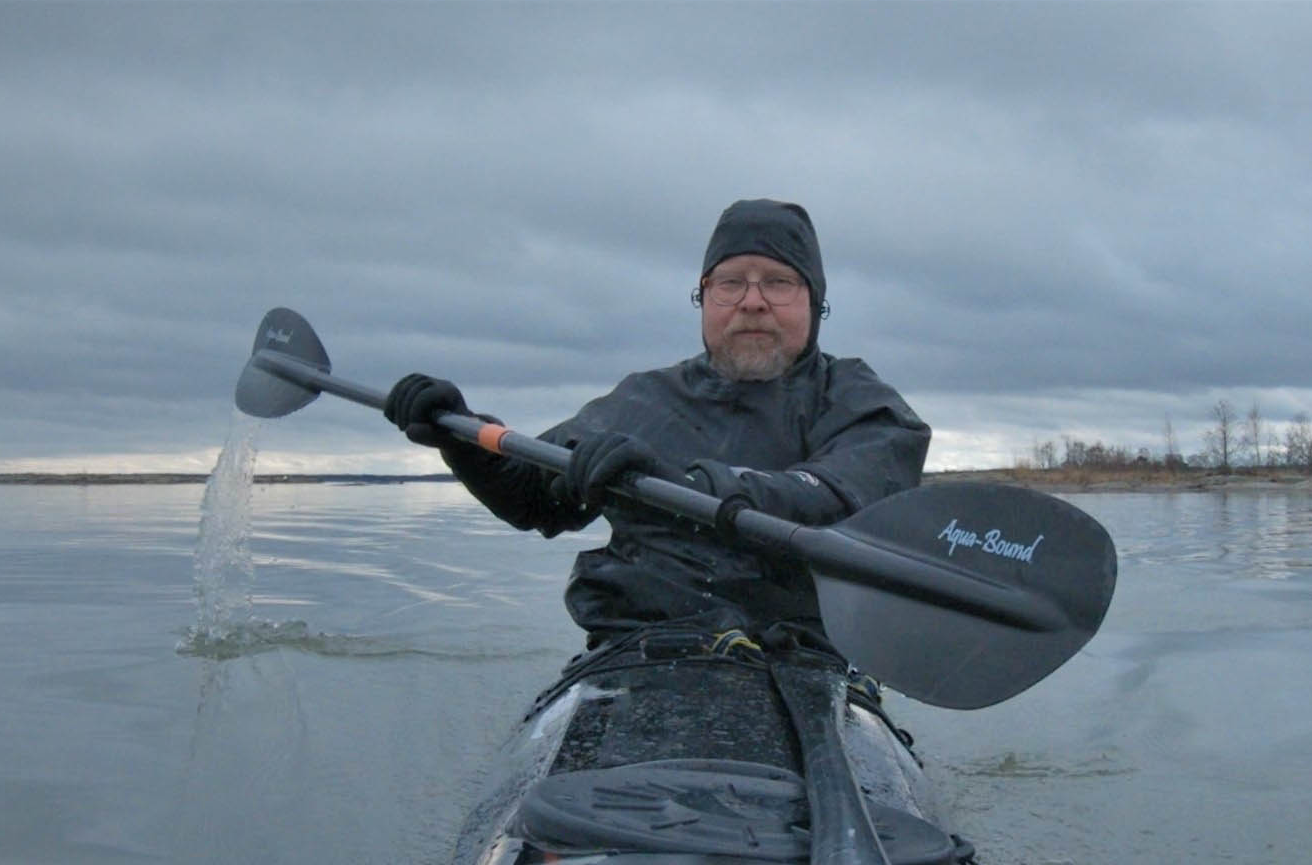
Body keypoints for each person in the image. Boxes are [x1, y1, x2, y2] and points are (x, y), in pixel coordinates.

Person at [381, 199, 930, 643]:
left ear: (816, 303)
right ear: (704, 300)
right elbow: (534, 499)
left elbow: (843, 495)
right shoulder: (642, 401)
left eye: (779, 282)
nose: (753, 302)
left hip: (804, 654)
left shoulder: (861, 402)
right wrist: (462, 439)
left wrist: (686, 486)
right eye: (731, 282)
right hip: (641, 648)